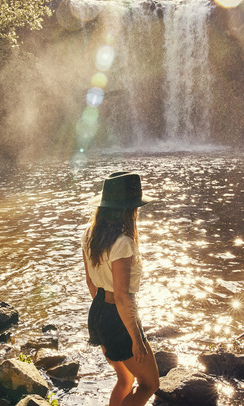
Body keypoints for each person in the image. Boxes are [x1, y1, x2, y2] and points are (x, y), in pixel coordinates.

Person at [82, 172, 160, 406]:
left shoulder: (89, 234)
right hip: (118, 318)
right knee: (150, 384)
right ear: (128, 209)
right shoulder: (123, 243)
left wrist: (103, 315)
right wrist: (136, 338)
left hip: (98, 312)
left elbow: (90, 282)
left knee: (125, 380)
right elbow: (123, 297)